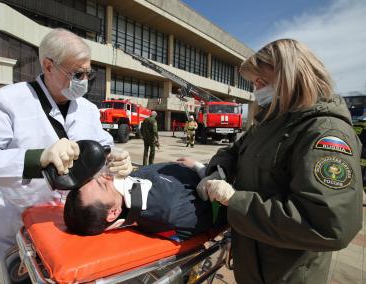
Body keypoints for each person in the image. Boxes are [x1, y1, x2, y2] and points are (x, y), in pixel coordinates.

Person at [0, 29, 133, 279]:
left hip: (62, 220)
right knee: (11, 275)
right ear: (48, 66)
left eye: (89, 74)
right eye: (77, 74)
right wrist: (36, 158)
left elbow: (101, 144)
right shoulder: (7, 101)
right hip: (12, 216)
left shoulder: (87, 109)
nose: (85, 81)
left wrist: (114, 157)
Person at [195, 39, 363, 284]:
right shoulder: (271, 123)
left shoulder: (324, 132)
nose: (256, 88)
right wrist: (219, 171)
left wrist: (235, 200)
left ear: (293, 75)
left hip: (287, 274)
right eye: (254, 82)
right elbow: (233, 150)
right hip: (253, 266)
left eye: (262, 81)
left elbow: (328, 224)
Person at [64, 162, 214, 241]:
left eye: (96, 178)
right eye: (103, 185)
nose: (106, 176)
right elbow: (216, 205)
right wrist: (200, 168)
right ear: (114, 212)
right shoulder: (168, 210)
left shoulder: (134, 189)